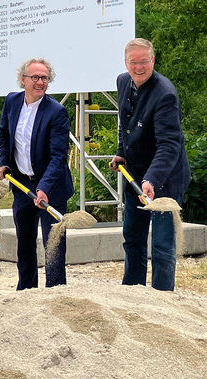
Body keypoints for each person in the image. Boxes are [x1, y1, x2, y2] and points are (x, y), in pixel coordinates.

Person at [110, 38, 190, 291]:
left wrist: (151, 180)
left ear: (153, 60)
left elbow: (169, 144)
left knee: (162, 245)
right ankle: (133, 293)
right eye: (133, 62)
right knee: (132, 238)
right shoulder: (123, 81)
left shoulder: (165, 93)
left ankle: (162, 298)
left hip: (164, 179)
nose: (139, 67)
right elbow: (125, 123)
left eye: (144, 61)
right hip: (135, 175)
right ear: (126, 63)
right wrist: (122, 152)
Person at [0, 58, 73, 290]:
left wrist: (44, 188)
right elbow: (4, 134)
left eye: (44, 78)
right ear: (23, 80)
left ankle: (56, 293)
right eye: (35, 77)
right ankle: (26, 292)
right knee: (25, 243)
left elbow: (59, 156)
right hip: (22, 186)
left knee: (54, 245)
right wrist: (4, 163)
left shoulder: (57, 112)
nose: (40, 82)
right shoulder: (12, 101)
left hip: (52, 189)